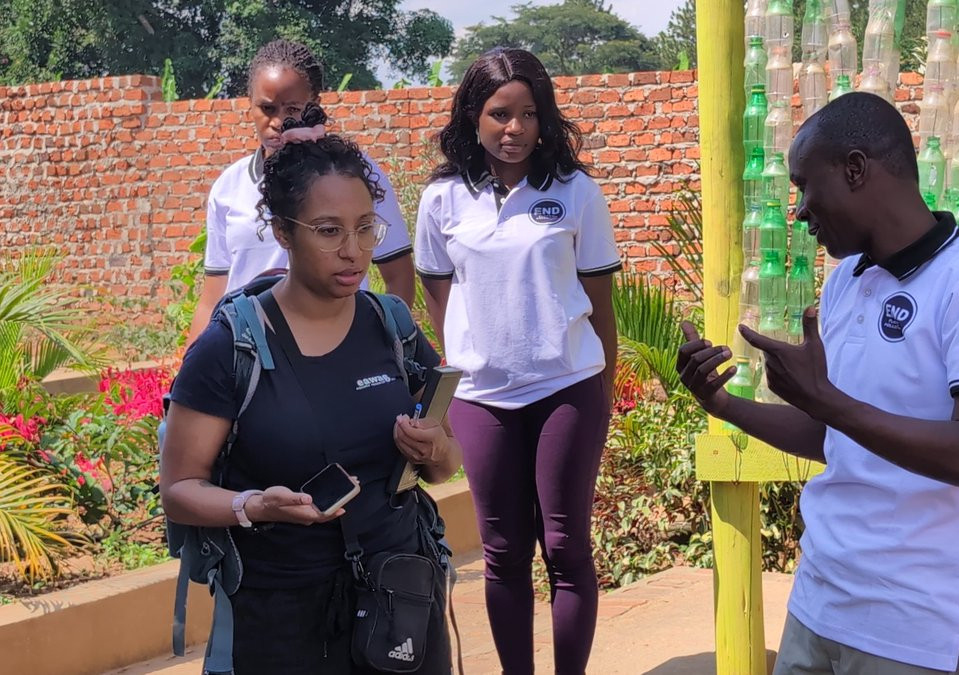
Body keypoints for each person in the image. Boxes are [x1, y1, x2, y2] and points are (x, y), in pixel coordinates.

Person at [677, 92, 959, 674]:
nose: (799, 212)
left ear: (855, 169)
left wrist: (828, 402)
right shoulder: (846, 282)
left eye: (804, 186)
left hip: (916, 630)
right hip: (819, 604)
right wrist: (722, 404)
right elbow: (835, 437)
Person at [161, 104, 461, 673]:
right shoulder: (231, 348)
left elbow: (446, 466)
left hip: (399, 604)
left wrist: (435, 449)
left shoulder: (391, 326)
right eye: (328, 231)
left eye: (366, 227)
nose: (353, 250)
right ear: (282, 232)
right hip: (282, 618)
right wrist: (253, 506)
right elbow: (179, 489)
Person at [414, 47, 620, 675]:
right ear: (472, 116)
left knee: (565, 546)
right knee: (503, 552)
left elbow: (601, 305)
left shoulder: (576, 192)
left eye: (529, 114)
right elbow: (439, 298)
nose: (515, 129)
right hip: (482, 398)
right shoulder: (442, 200)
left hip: (567, 388)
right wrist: (469, 361)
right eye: (500, 114)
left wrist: (603, 393)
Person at [186, 39, 415, 347]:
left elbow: (399, 276)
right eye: (267, 108)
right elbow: (213, 295)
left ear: (315, 104)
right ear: (249, 104)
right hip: (252, 353)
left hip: (339, 347)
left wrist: (381, 347)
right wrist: (191, 363)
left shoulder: (357, 176)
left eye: (292, 108)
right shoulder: (229, 187)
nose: (278, 121)